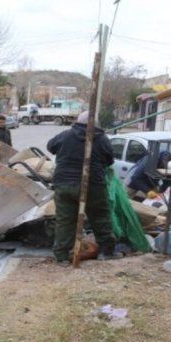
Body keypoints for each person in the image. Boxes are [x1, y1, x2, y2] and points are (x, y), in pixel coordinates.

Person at [47, 111, 118, 262]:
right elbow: (110, 160)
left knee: (65, 221)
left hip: (64, 184)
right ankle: (106, 253)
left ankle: (62, 257)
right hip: (93, 185)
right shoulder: (102, 139)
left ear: (78, 122)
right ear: (96, 125)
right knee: (100, 218)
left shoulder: (66, 135)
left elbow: (50, 147)